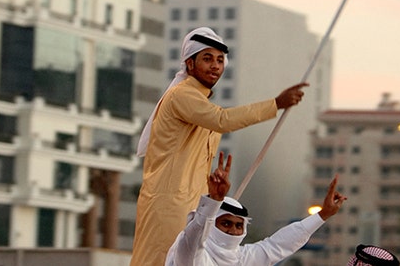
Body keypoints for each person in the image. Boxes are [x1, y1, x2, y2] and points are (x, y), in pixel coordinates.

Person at [130, 27, 308, 266]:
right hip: (169, 202)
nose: (215, 66)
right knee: (159, 260)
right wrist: (275, 104)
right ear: (189, 64)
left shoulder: (199, 100)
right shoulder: (182, 95)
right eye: (207, 58)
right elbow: (222, 120)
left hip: (195, 202)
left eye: (220, 60)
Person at [166, 152, 347, 266]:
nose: (233, 230)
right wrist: (214, 201)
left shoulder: (243, 258)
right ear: (212, 223)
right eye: (226, 223)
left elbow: (278, 244)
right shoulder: (191, 254)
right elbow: (194, 238)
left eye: (239, 226)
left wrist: (322, 215)